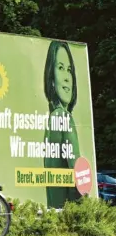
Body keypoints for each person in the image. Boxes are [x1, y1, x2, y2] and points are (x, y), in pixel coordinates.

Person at [43, 40, 81, 207]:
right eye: (60, 68)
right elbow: (77, 174)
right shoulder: (63, 117)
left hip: (56, 212)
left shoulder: (53, 118)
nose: (67, 77)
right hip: (69, 212)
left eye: (69, 70)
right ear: (51, 79)